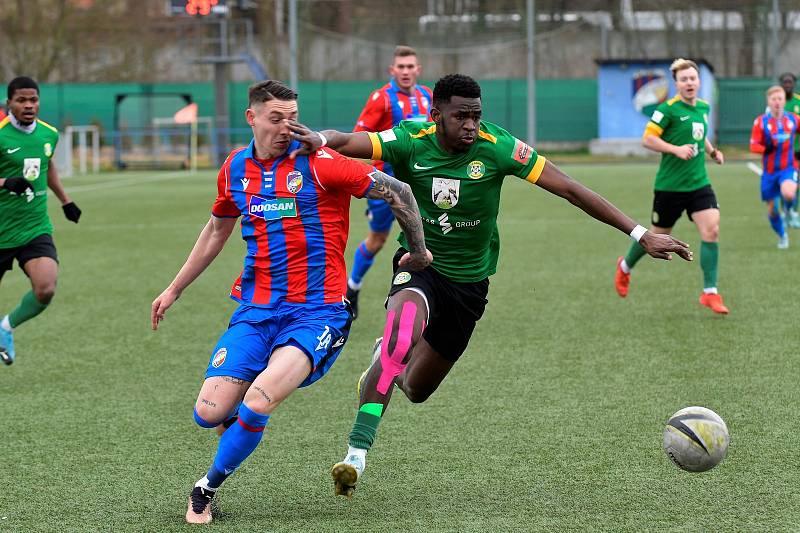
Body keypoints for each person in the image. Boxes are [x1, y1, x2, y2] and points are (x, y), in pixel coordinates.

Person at [286, 73, 693, 497]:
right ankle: (356, 455)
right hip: (420, 265)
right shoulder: (410, 138)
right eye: (460, 116)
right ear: (435, 114)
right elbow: (352, 140)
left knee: (416, 388)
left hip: (470, 285)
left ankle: (383, 364)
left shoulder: (498, 147)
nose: (470, 125)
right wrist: (319, 137)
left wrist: (639, 234)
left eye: (476, 116)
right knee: (400, 338)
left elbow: (570, 188)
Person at [150, 80, 430, 525]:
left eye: (292, 117)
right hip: (256, 310)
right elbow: (217, 230)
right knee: (209, 413)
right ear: (252, 118)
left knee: (260, 401)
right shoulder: (235, 168)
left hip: (319, 312)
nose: (286, 127)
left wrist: (417, 249)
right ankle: (237, 420)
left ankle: (205, 490)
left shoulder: (321, 163)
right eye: (276, 118)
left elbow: (399, 192)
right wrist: (174, 288)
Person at [614, 58, 728, 314]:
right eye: (684, 79)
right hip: (670, 187)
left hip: (699, 183)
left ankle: (710, 293)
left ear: (699, 81)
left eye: (693, 78)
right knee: (656, 233)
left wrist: (712, 152)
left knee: (711, 230)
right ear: (676, 84)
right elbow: (648, 139)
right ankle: (625, 267)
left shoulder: (703, 107)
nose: (689, 83)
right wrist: (675, 149)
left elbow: (700, 134)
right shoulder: (667, 109)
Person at [346, 45, 433, 319]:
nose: (406, 71)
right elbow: (358, 136)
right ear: (392, 70)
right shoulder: (381, 99)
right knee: (377, 239)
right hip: (388, 186)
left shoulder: (427, 96)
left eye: (410, 67)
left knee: (422, 238)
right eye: (401, 67)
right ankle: (352, 287)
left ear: (418, 69)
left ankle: (413, 293)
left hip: (419, 183)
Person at [0, 76, 81, 365]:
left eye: (33, 100)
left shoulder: (49, 134)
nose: (28, 105)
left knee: (45, 287)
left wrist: (66, 200)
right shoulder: (0, 134)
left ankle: (5, 327)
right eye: (21, 100)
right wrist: (5, 182)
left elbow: (48, 169)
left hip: (33, 227)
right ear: (9, 102)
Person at [750, 86, 800, 248]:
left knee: (789, 193)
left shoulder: (793, 119)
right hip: (770, 172)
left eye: (780, 99)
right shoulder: (761, 121)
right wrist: (766, 148)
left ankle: (789, 211)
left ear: (785, 101)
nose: (777, 102)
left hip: (788, 168)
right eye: (774, 99)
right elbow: (753, 145)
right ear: (768, 102)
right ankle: (782, 235)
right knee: (772, 211)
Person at [778, 72, 800, 226]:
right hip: (782, 151)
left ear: (794, 83)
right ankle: (784, 212)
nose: (787, 85)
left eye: (790, 82)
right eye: (785, 82)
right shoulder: (777, 102)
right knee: (782, 182)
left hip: (798, 149)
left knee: (796, 182)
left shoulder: (798, 101)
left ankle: (793, 212)